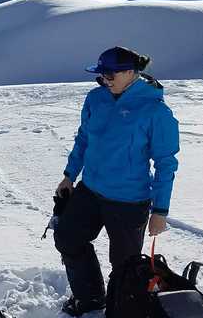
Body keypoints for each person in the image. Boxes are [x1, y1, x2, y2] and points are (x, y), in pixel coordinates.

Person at [53, 46, 180, 317]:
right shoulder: (96, 99)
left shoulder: (155, 112)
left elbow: (166, 163)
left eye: (110, 75)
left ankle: (120, 310)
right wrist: (69, 175)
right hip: (90, 190)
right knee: (68, 238)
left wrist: (160, 211)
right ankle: (90, 300)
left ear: (132, 73)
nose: (105, 81)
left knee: (124, 267)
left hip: (129, 200)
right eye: (101, 76)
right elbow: (84, 138)